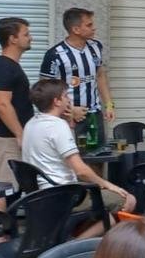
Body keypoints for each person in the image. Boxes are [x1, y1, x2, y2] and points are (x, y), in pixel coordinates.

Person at [21, 79, 135, 236]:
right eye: (65, 95)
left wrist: (70, 124)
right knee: (128, 200)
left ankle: (73, 235)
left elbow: (60, 151)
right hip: (63, 195)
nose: (69, 99)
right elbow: (80, 170)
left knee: (103, 209)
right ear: (57, 101)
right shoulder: (56, 126)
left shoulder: (31, 123)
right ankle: (75, 246)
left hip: (40, 194)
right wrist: (108, 185)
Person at [0, 17, 35, 209]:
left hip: (14, 136)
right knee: (4, 186)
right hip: (5, 138)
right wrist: (20, 134)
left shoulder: (12, 66)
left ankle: (6, 228)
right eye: (26, 34)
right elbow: (3, 105)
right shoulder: (3, 68)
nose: (31, 38)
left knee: (14, 187)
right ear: (13, 39)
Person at [40, 8, 112, 134]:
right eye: (89, 25)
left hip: (95, 114)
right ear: (76, 29)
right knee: (73, 153)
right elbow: (45, 89)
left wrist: (108, 104)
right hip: (68, 117)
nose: (94, 28)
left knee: (99, 152)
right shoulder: (55, 54)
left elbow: (100, 75)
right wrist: (70, 109)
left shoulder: (96, 46)